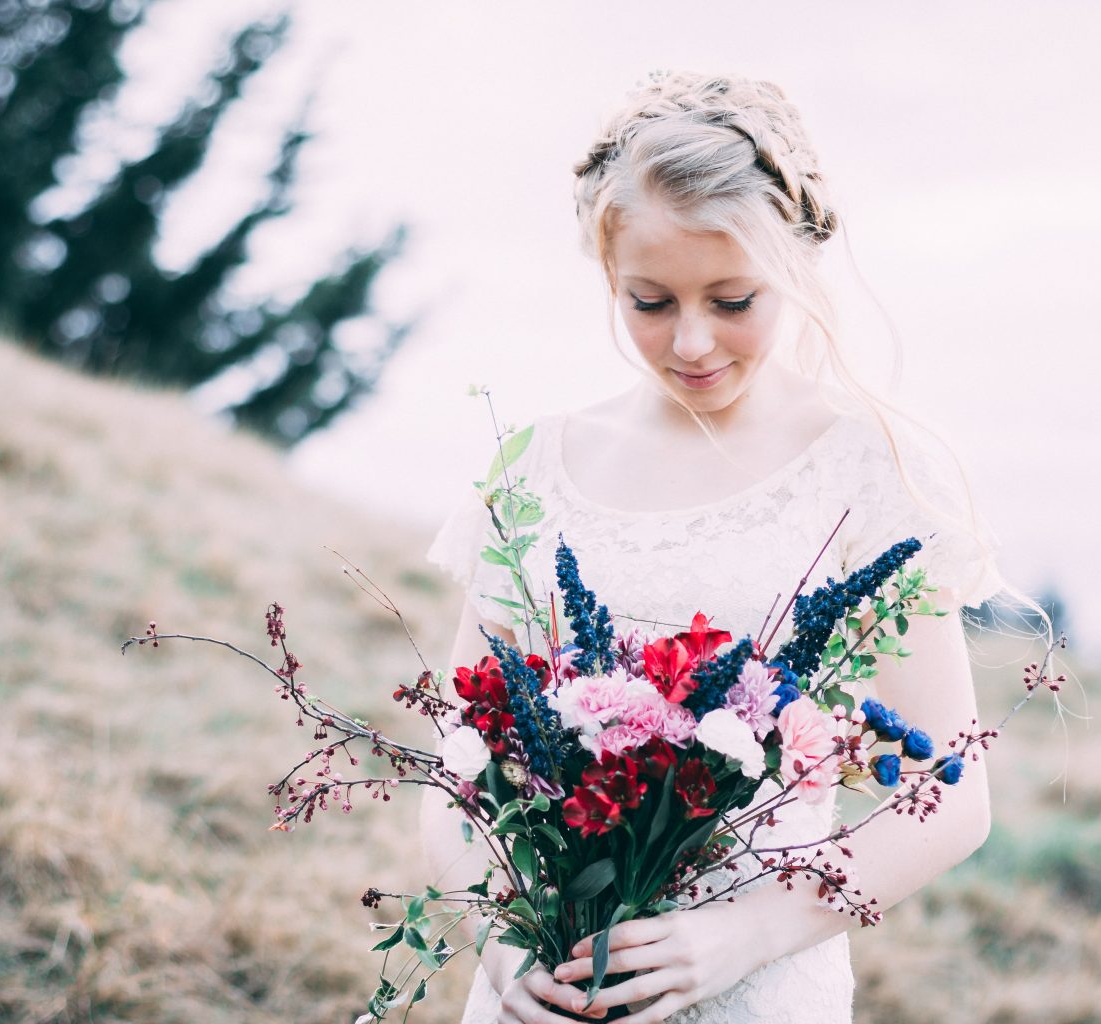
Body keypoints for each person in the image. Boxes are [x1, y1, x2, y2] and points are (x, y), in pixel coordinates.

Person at [422, 70, 1004, 1024]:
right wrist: (499, 937)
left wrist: (742, 936)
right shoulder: (535, 469)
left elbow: (950, 794)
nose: (692, 341)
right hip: (549, 986)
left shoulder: (868, 471)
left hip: (756, 988)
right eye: (650, 302)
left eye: (734, 300)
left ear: (799, 268)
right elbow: (460, 761)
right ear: (608, 275)